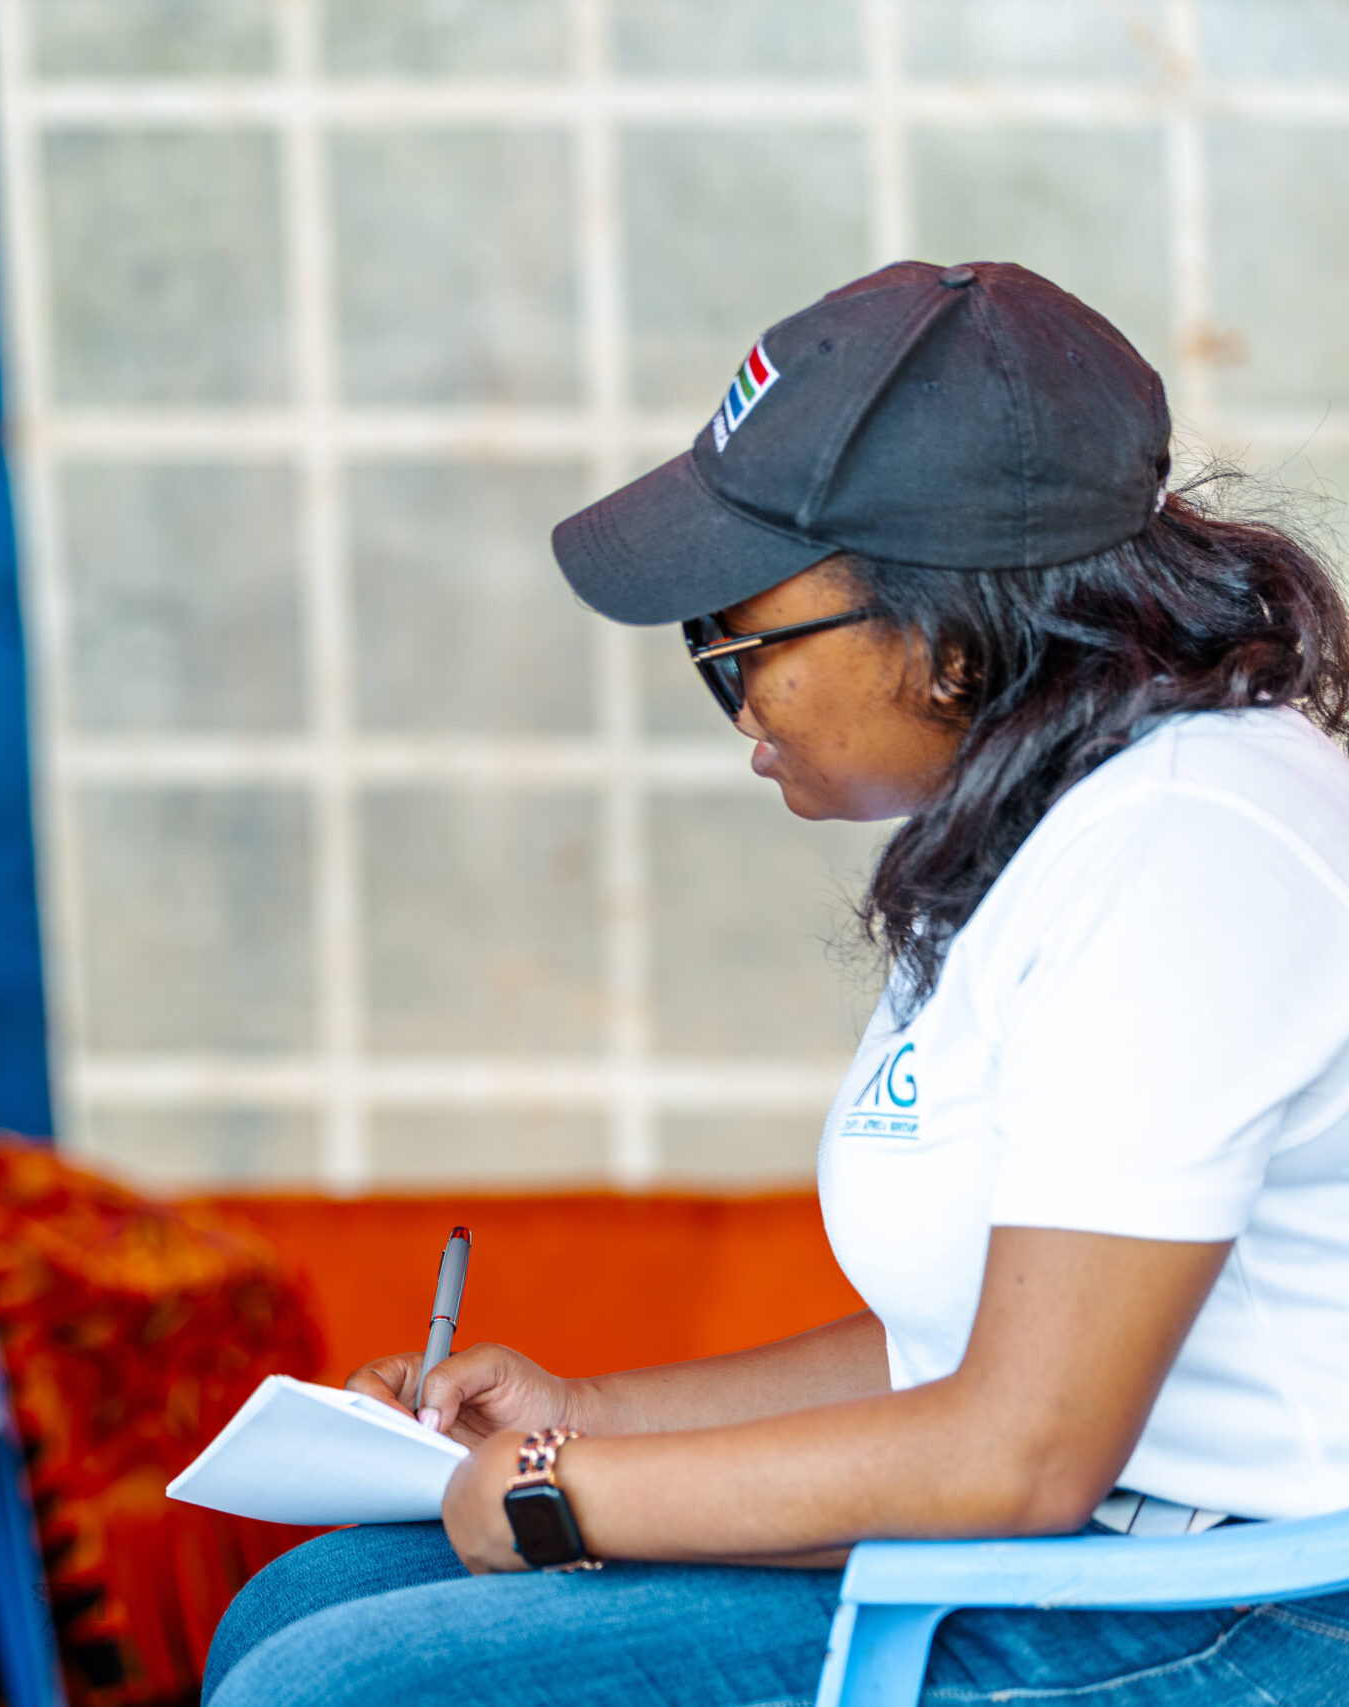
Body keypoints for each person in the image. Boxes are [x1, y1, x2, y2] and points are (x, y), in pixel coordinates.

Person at [203, 262, 1349, 1705]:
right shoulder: (1058, 816)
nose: (734, 702)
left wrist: (568, 1490)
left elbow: (1022, 1448)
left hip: (1252, 1607)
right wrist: (585, 1412)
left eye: (739, 644)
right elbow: (966, 1336)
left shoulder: (1185, 847)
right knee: (306, 1601)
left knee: (339, 1686)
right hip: (1091, 1550)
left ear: (947, 630)